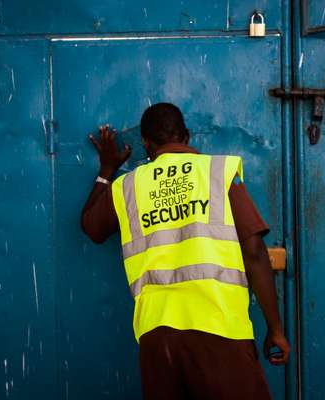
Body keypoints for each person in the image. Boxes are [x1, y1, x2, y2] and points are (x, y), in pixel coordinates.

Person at [81, 103, 289, 400]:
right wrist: (275, 328)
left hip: (157, 337)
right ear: (187, 137)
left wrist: (106, 170)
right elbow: (254, 250)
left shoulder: (127, 186)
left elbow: (91, 227)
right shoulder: (218, 172)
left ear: (146, 143)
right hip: (220, 330)